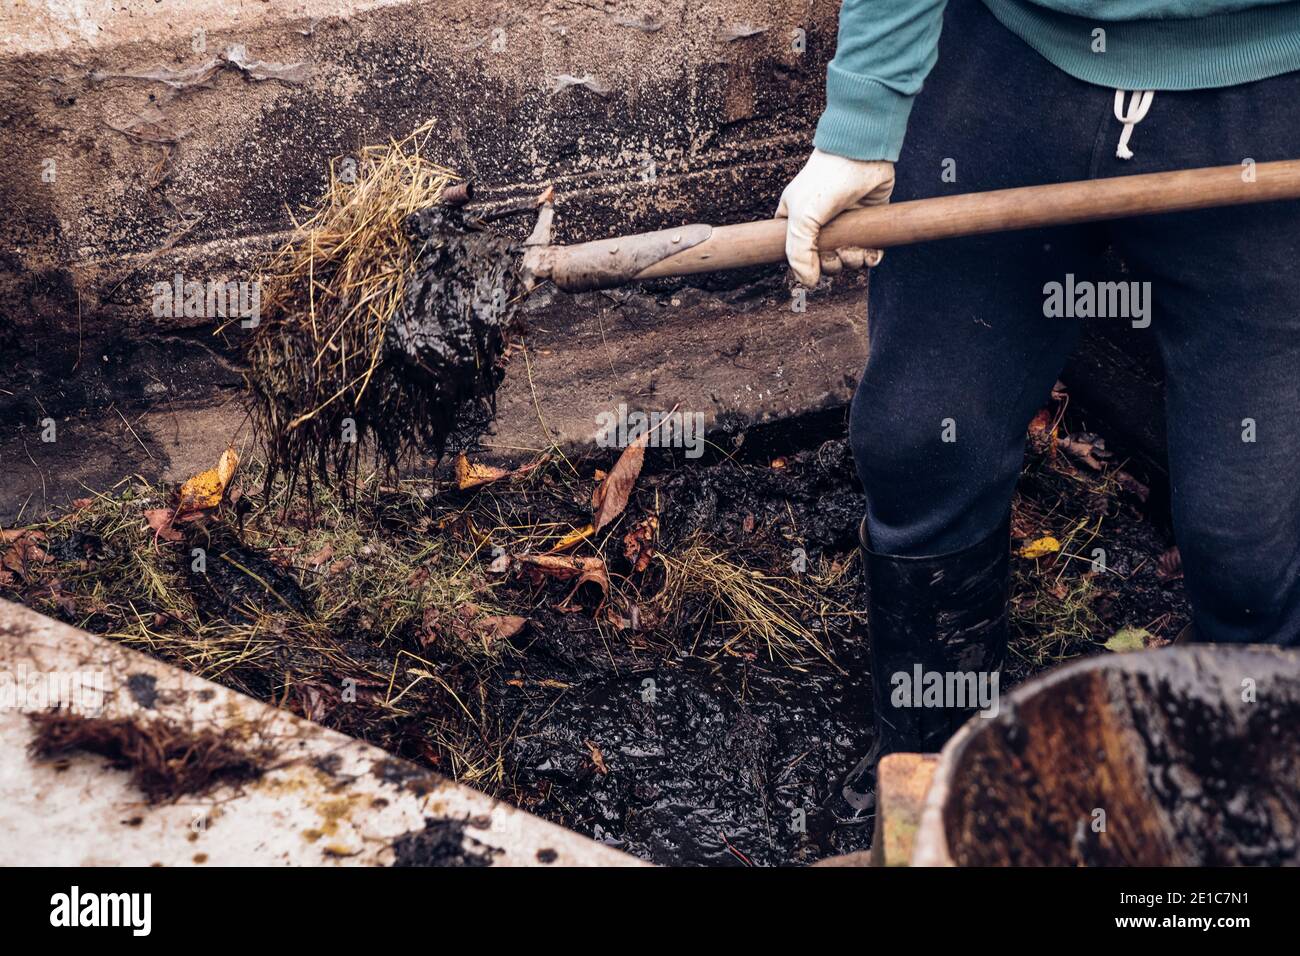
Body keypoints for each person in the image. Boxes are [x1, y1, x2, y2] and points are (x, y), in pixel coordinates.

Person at [776, 0, 1300, 820]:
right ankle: (932, 781)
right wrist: (866, 111)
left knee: (1250, 544)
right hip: (1009, 64)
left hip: (1270, 96)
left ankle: (1228, 820)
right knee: (923, 440)